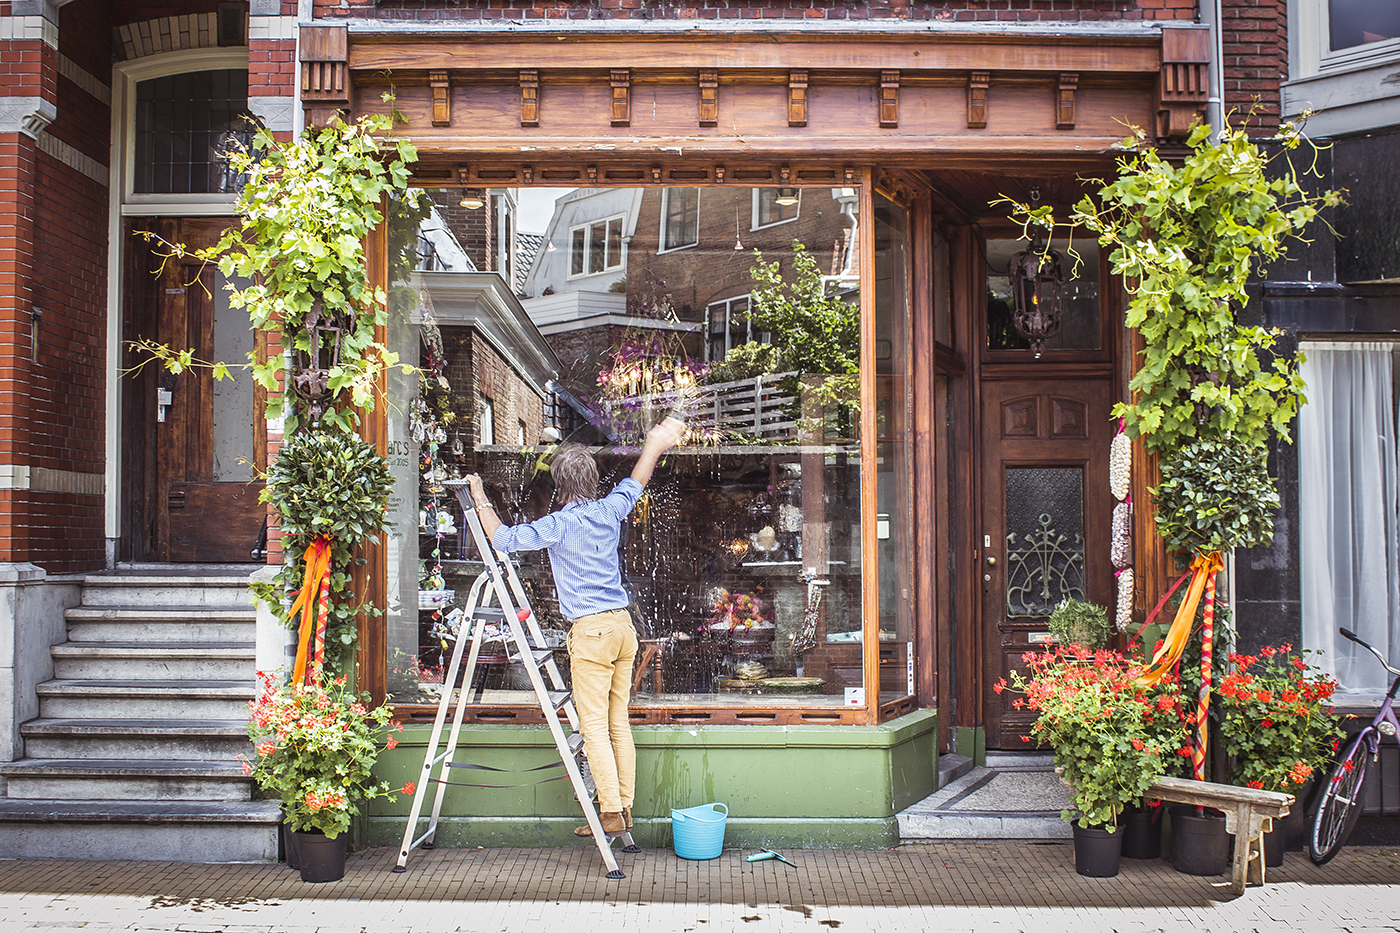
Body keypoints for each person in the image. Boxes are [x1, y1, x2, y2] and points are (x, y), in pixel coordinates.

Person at [466, 415, 686, 838]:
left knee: (593, 727)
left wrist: (478, 494)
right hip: (624, 628)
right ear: (592, 480)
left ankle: (607, 812)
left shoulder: (558, 524)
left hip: (591, 633)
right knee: (617, 721)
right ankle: (622, 808)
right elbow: (638, 480)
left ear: (559, 486)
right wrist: (655, 443)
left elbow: (503, 539)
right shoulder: (609, 509)